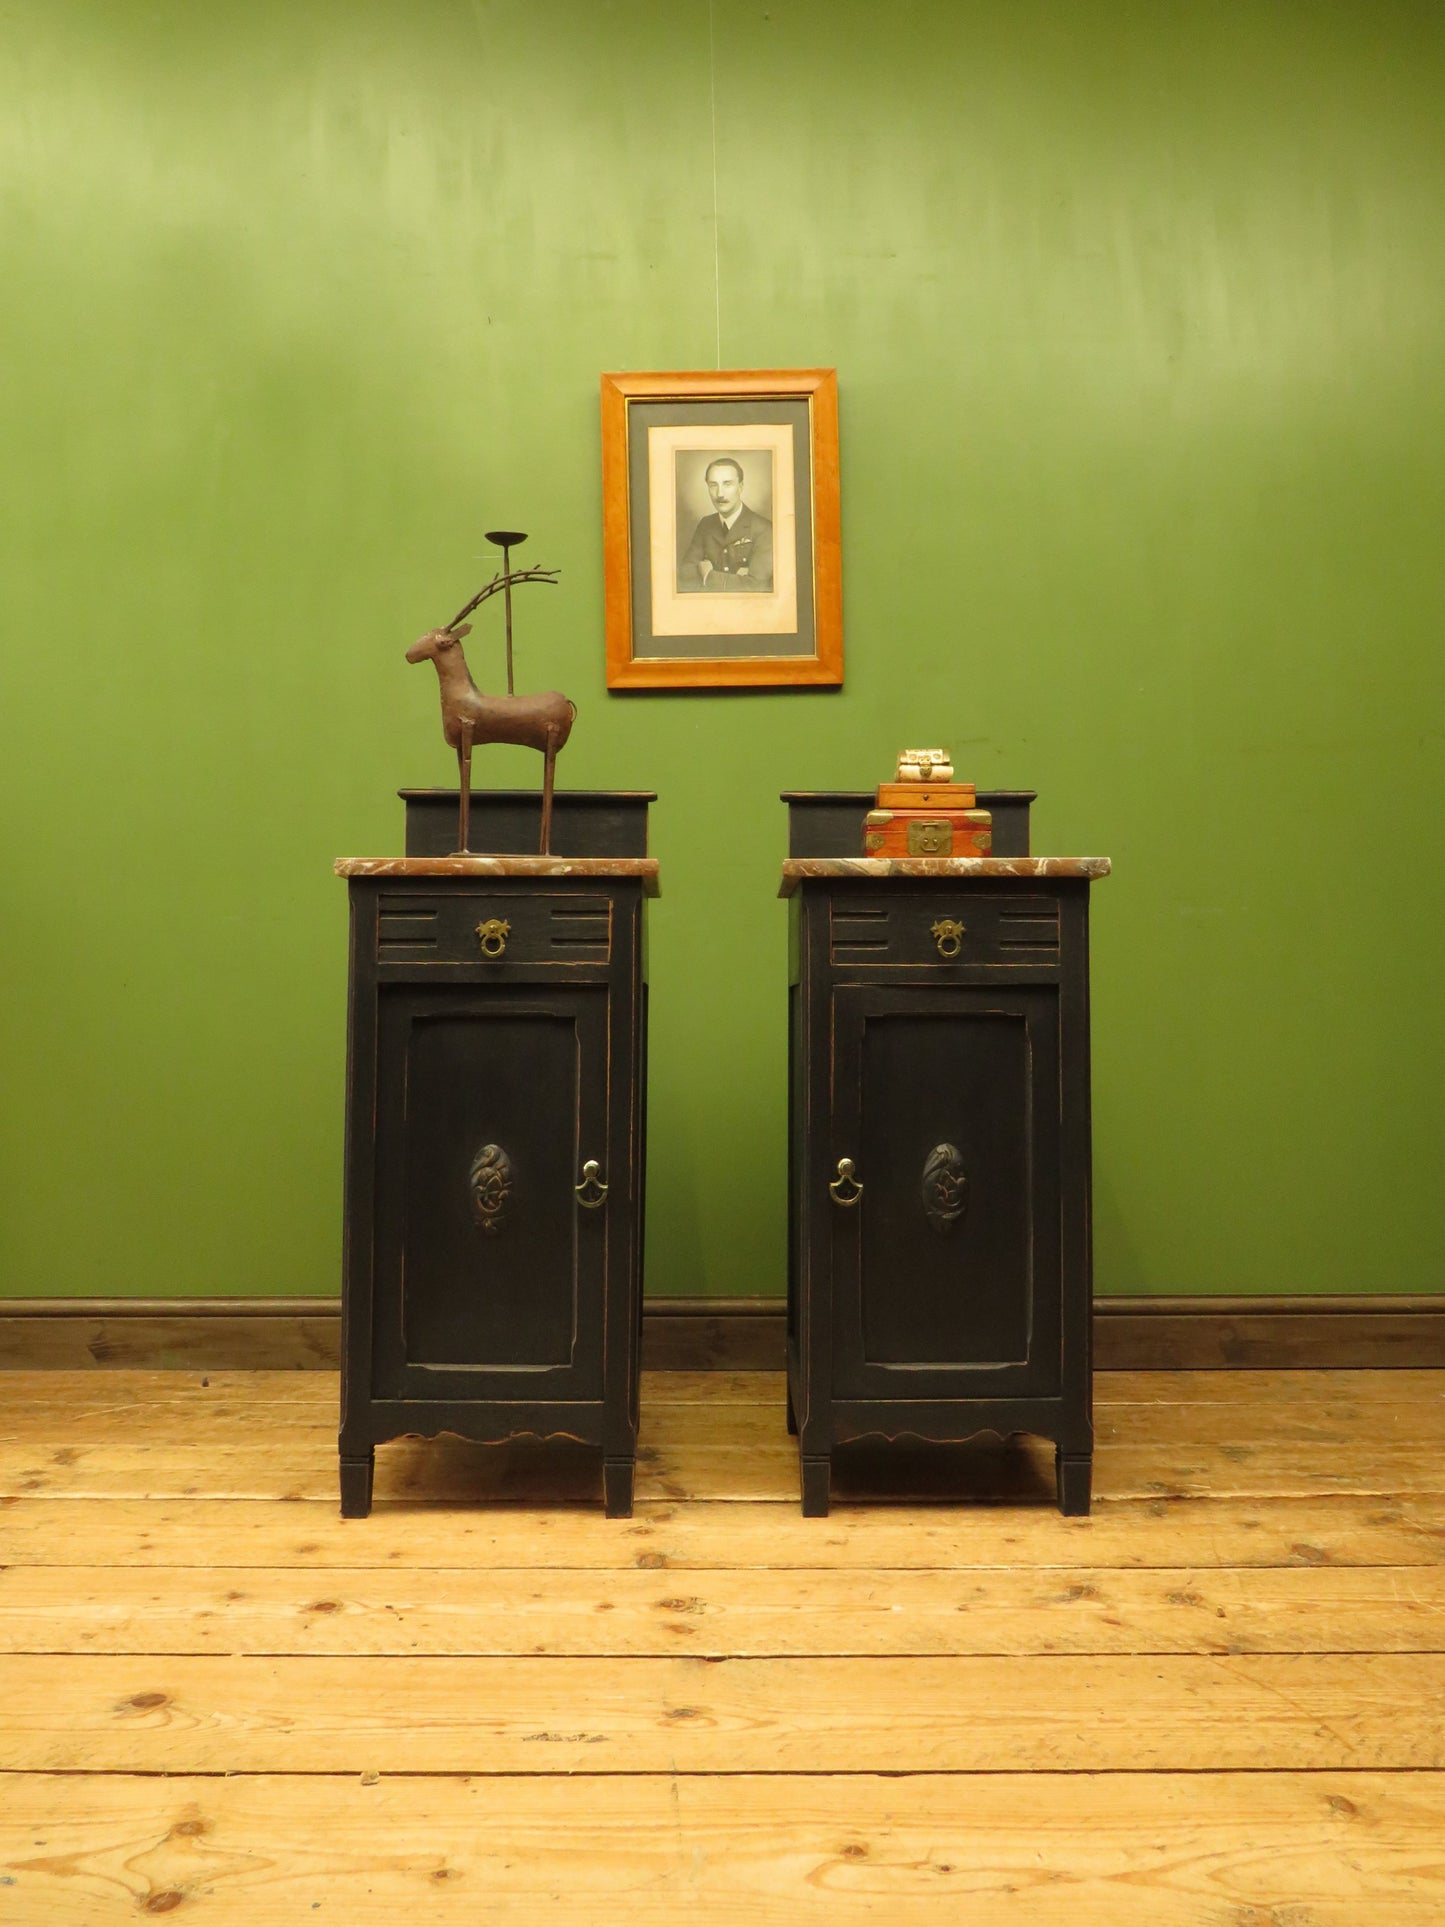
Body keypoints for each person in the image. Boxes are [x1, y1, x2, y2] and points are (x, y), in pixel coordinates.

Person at [679, 456, 773, 591]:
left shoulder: (764, 529)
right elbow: (685, 574)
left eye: (727, 484)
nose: (720, 493)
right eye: (713, 485)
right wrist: (737, 579)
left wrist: (708, 576)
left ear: (740, 487)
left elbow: (756, 586)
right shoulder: (706, 524)